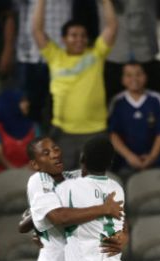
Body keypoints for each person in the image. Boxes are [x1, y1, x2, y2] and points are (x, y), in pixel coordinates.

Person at [32, 0, 118, 169]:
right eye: (73, 35)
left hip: (95, 131)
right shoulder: (55, 56)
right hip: (63, 133)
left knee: (96, 185)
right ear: (64, 39)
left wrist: (106, 2)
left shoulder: (96, 55)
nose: (79, 39)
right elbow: (37, 30)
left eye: (83, 35)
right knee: (63, 183)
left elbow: (112, 27)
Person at [108, 62, 160, 177]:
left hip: (156, 162)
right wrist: (129, 156)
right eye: (129, 75)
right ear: (122, 79)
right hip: (125, 163)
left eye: (138, 74)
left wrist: (152, 157)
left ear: (145, 76)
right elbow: (113, 134)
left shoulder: (157, 99)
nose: (134, 79)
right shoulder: (117, 101)